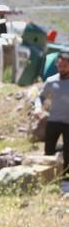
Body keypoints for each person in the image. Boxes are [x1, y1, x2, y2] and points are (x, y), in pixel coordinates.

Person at [33, 51, 69, 192]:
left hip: (68, 123)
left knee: (68, 153)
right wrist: (38, 108)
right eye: (60, 66)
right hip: (53, 121)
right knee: (48, 151)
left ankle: (66, 181)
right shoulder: (51, 81)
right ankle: (47, 178)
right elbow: (40, 97)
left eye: (65, 66)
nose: (62, 69)